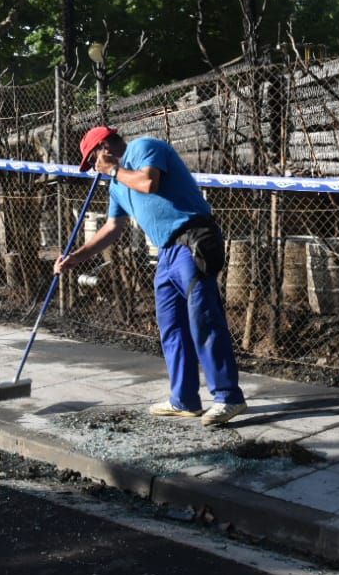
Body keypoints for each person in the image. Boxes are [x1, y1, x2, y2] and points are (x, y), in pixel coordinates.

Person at [54, 126, 248, 426]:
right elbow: (111, 229)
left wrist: (114, 169)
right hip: (166, 253)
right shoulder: (116, 186)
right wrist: (75, 258)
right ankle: (184, 399)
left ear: (103, 147)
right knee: (171, 327)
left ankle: (228, 397)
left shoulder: (144, 147)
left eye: (92, 159)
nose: (94, 168)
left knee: (204, 319)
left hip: (192, 239)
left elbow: (148, 183)